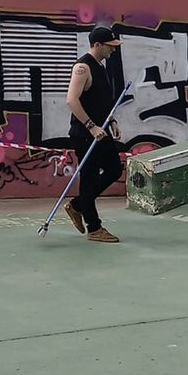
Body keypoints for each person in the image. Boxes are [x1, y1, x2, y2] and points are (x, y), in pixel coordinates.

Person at [62, 26, 125, 243]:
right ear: (98, 45)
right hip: (86, 134)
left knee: (114, 169)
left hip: (101, 131)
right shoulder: (83, 67)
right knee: (88, 179)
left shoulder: (100, 66)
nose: (113, 51)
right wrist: (91, 126)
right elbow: (72, 100)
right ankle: (94, 227)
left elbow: (101, 101)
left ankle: (78, 205)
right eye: (110, 46)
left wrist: (112, 121)